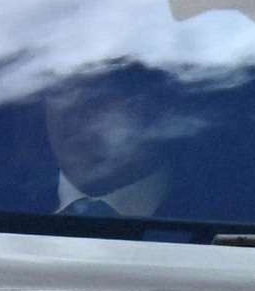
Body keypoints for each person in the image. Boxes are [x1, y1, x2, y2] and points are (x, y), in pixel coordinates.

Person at [39, 70, 180, 221]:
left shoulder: (204, 218)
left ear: (159, 105)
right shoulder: (14, 212)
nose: (74, 105)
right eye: (61, 86)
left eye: (104, 84)